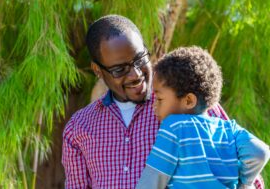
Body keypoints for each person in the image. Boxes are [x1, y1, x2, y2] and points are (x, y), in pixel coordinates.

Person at [61, 15, 264, 188]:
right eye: (120, 69)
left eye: (140, 59)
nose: (136, 75)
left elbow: (252, 176)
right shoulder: (79, 127)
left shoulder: (187, 101)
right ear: (98, 70)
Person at [136, 46, 270, 189]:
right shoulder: (229, 128)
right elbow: (260, 152)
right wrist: (245, 183)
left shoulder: (174, 126)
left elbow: (152, 180)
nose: (154, 106)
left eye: (160, 99)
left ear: (188, 101)